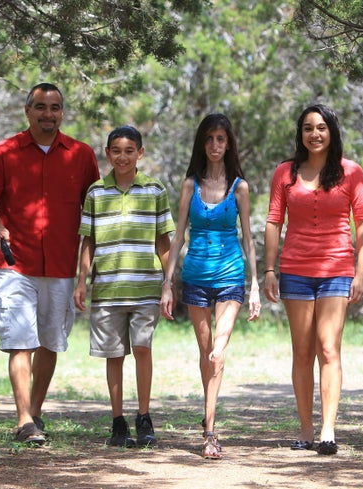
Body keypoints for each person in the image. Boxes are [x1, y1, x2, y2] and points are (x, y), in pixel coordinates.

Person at [0, 82, 99, 444]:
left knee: (50, 342)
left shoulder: (82, 154)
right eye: (41, 107)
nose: (48, 114)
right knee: (20, 341)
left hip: (61, 264)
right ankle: (23, 419)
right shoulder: (3, 152)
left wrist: (85, 270)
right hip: (15, 264)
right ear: (27, 110)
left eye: (55, 107)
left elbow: (92, 211)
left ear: (62, 112)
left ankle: (36, 413)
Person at [263, 104, 363, 455]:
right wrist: (269, 270)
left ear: (332, 131)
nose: (315, 134)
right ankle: (306, 430)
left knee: (328, 348)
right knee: (303, 351)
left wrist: (361, 269)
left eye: (321, 127)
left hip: (337, 269)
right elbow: (273, 222)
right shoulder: (284, 172)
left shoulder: (351, 172)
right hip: (294, 269)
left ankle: (328, 430)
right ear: (301, 134)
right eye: (308, 128)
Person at [160, 114, 261, 459]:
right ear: (202, 144)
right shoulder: (191, 185)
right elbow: (177, 239)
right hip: (196, 277)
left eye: (221, 139)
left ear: (229, 143)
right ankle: (209, 426)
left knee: (219, 349)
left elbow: (248, 238)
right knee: (206, 356)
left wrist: (256, 286)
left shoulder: (240, 188)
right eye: (209, 139)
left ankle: (211, 431)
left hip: (232, 274)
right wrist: (167, 285)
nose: (216, 145)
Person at [74, 125, 175, 448]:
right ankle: (118, 422)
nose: (123, 157)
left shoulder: (154, 190)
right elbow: (87, 242)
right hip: (107, 289)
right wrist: (82, 281)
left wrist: (168, 284)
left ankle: (143, 417)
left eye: (130, 151)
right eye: (116, 150)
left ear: (140, 154)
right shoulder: (96, 193)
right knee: (113, 355)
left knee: (143, 348)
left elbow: (164, 242)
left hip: (145, 287)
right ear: (107, 153)